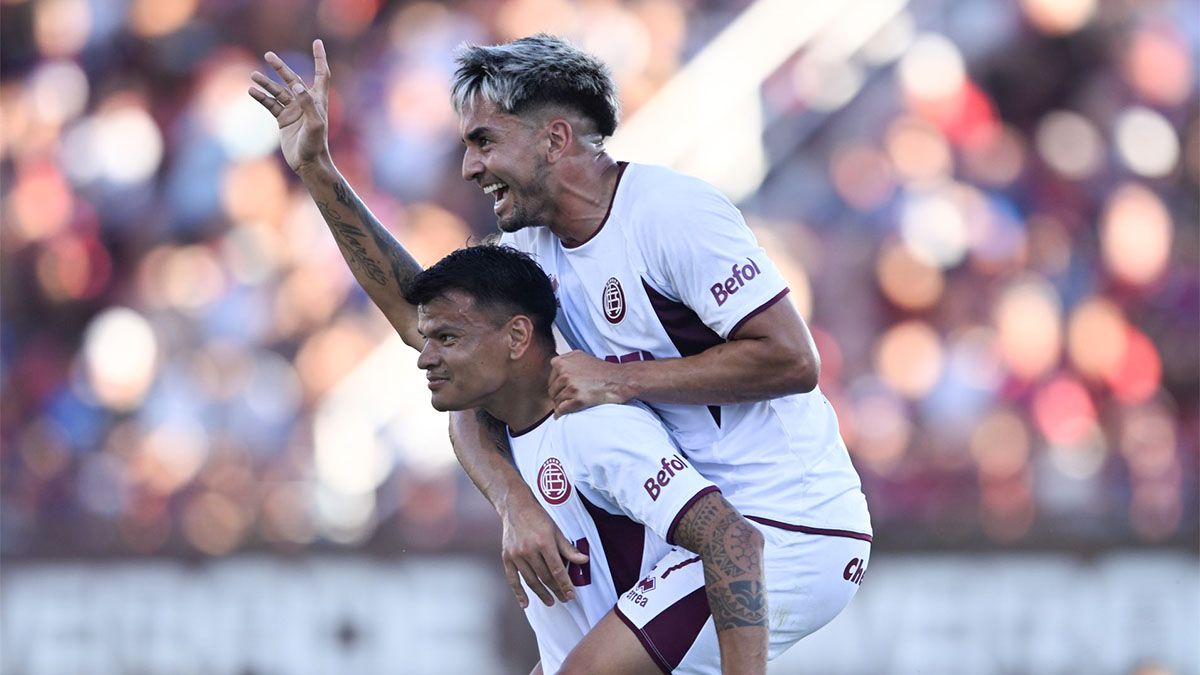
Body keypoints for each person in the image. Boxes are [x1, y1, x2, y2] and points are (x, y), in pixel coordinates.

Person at [248, 33, 871, 668]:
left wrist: (622, 380)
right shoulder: (530, 249)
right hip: (682, 524)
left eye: (484, 141)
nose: (469, 167)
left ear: (554, 138)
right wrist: (513, 502)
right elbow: (439, 336)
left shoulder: (670, 214)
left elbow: (793, 360)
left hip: (787, 524)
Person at [411, 244, 768, 674]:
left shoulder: (595, 428)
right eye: (426, 339)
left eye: (447, 338)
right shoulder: (509, 441)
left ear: (517, 337)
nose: (425, 358)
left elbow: (732, 537)